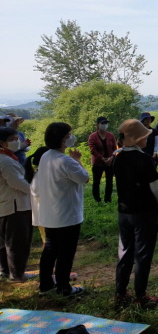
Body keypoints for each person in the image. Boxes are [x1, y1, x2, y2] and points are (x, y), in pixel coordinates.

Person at [113, 120, 158, 306]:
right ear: (136, 139)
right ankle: (140, 296)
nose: (146, 139)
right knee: (142, 255)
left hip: (124, 212)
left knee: (124, 252)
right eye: (144, 136)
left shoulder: (118, 157)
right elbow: (155, 188)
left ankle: (120, 293)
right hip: (144, 213)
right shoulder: (144, 159)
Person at [36, 122, 88, 296]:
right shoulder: (65, 161)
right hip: (66, 214)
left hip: (50, 213)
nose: (71, 138)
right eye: (68, 136)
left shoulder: (46, 156)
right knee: (66, 252)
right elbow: (84, 178)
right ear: (62, 139)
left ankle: (45, 284)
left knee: (50, 250)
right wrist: (78, 161)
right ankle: (64, 287)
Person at [0, 126, 35, 283]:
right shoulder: (6, 161)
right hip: (15, 206)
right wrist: (35, 189)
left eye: (17, 139)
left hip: (7, 204)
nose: (16, 142)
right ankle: (17, 274)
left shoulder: (7, 157)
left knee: (6, 242)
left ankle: (6, 271)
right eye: (11, 140)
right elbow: (17, 183)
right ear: (2, 143)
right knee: (17, 242)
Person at [88, 116, 117, 203]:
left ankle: (108, 199)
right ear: (97, 125)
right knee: (96, 182)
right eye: (102, 123)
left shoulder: (110, 135)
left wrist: (112, 157)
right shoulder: (92, 136)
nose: (104, 125)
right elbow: (92, 150)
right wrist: (103, 159)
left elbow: (115, 148)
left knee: (109, 181)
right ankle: (97, 200)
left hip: (110, 162)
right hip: (98, 162)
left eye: (106, 123)